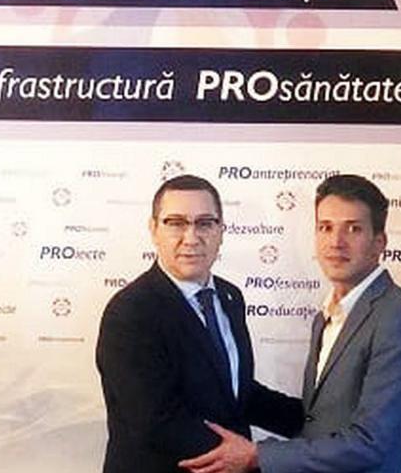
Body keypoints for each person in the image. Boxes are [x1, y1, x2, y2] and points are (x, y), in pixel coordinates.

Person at [179, 174, 401, 473]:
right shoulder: (325, 316)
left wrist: (257, 455)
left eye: (353, 228)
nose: (336, 242)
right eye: (325, 227)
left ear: (379, 242)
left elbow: (370, 442)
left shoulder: (400, 316)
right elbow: (318, 420)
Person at [95, 174, 303, 473]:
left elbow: (236, 393)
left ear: (221, 231)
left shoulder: (230, 297)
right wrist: (254, 458)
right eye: (176, 223)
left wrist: (314, 423)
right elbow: (157, 420)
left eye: (205, 223)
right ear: (154, 229)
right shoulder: (130, 312)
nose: (191, 237)